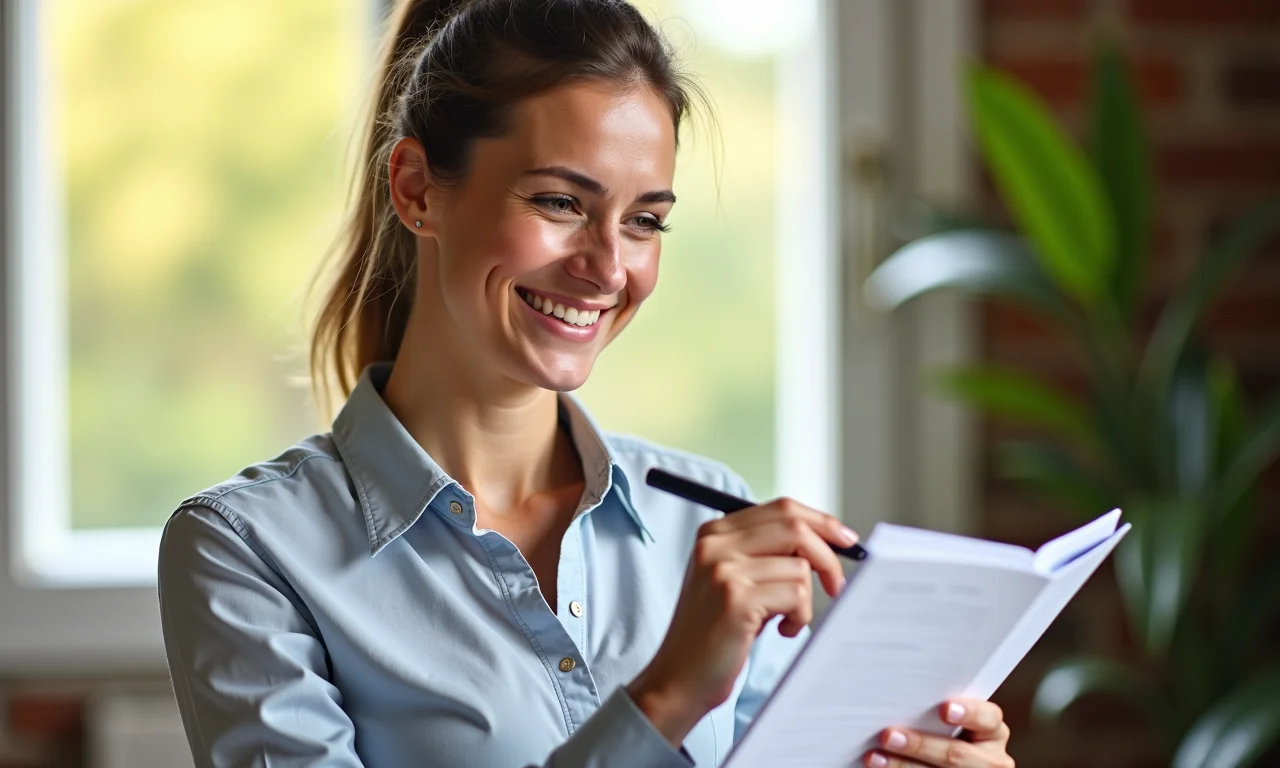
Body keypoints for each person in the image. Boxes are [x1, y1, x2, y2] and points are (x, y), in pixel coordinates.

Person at [157, 1, 1016, 766]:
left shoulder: (711, 519)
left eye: (644, 221)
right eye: (560, 203)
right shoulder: (249, 553)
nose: (609, 268)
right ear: (417, 189)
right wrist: (663, 702)